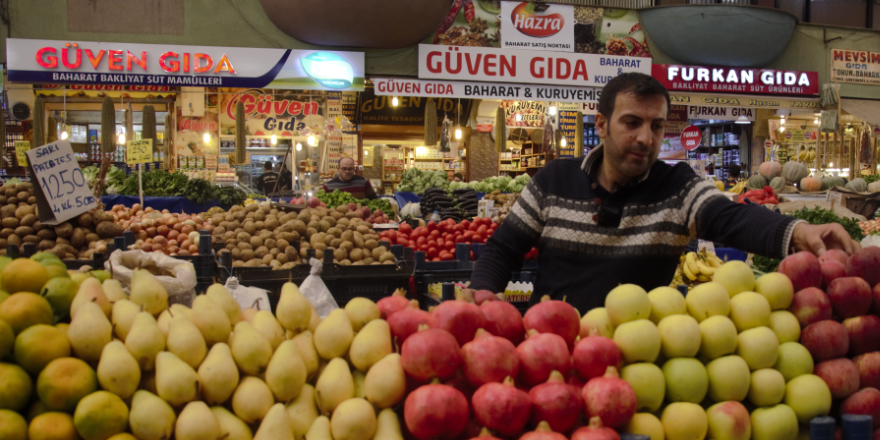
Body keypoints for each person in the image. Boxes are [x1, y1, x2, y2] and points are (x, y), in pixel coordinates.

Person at [469, 72, 859, 313]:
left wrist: (797, 232)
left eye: (656, 126)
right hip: (553, 349)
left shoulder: (677, 186)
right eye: (632, 123)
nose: (645, 138)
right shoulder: (553, 181)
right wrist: (482, 297)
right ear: (602, 125)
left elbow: (729, 217)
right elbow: (503, 250)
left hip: (643, 360)